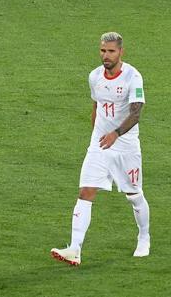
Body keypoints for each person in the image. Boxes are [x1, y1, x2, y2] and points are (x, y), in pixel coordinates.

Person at [51, 32, 150, 266]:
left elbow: (136, 113)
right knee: (85, 192)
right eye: (103, 51)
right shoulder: (95, 76)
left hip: (125, 146)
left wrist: (115, 133)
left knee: (134, 195)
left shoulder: (133, 78)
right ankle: (74, 249)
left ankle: (144, 237)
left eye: (111, 51)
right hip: (100, 145)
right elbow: (96, 106)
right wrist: (97, 135)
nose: (106, 55)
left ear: (121, 52)